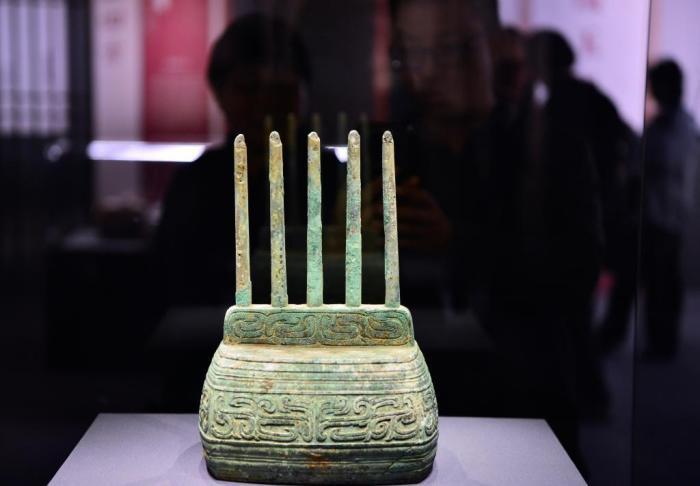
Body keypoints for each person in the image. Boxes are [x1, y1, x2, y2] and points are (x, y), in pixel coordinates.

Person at [153, 14, 310, 306]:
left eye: (279, 90)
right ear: (220, 94)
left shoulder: (331, 177)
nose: (265, 104)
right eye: (248, 89)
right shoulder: (196, 182)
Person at [641, 59, 698, 359]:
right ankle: (661, 341)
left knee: (663, 282)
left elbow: (666, 163)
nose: (651, 91)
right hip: (661, 213)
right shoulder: (668, 124)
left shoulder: (679, 127)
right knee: (659, 281)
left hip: (667, 214)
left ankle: (663, 342)